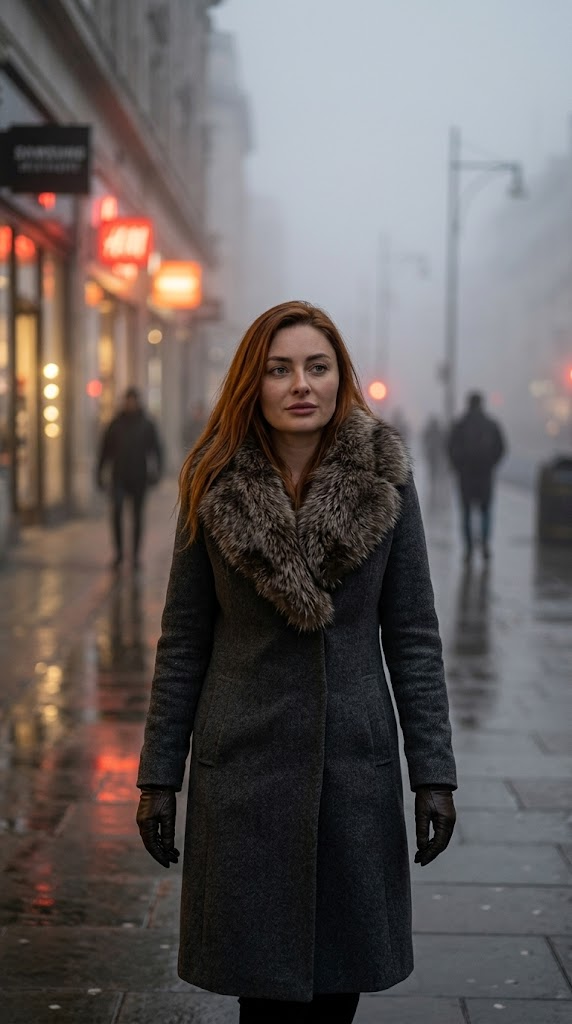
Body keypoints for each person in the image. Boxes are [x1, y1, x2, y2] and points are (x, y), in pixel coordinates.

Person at [135, 301, 457, 1023]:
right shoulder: (211, 481)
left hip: (351, 769)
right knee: (263, 996)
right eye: (279, 369)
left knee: (338, 990)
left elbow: (413, 634)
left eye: (318, 367)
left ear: (342, 378)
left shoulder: (387, 483)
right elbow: (183, 639)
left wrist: (433, 771)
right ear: (254, 380)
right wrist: (159, 777)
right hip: (244, 771)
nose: (300, 384)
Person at [97, 387, 163, 570]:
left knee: (137, 517)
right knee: (117, 513)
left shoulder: (147, 424)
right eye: (128, 400)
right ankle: (118, 553)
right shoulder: (115, 424)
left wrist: (157, 472)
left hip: (139, 477)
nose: (130, 404)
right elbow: (104, 451)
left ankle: (135, 556)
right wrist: (100, 473)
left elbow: (157, 449)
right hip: (119, 476)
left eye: (133, 400)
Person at [448, 391, 506, 562]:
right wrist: (490, 464)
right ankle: (485, 545)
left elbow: (450, 447)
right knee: (485, 511)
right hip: (485, 476)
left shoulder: (460, 424)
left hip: (465, 476)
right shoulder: (491, 424)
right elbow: (501, 448)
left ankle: (468, 549)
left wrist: (458, 466)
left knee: (466, 512)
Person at [422, 414, 446, 481]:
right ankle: (434, 483)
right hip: (433, 456)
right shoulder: (436, 432)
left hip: (435, 456)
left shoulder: (433, 432)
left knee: (434, 472)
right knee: (434, 472)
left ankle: (434, 483)